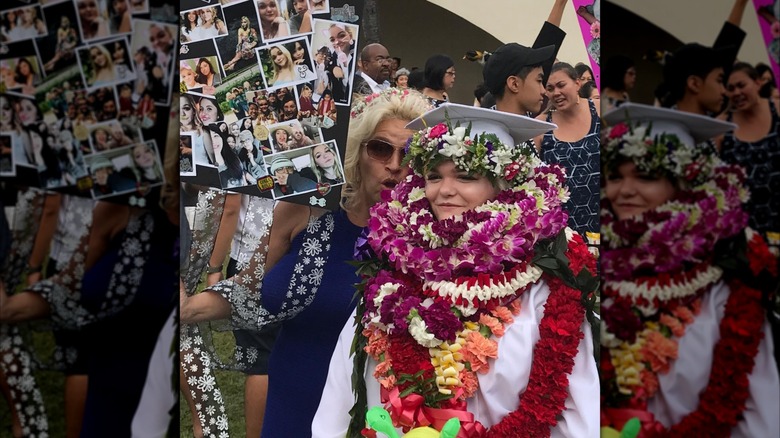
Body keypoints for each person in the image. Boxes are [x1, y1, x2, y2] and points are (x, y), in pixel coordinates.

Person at [311, 103, 599, 437]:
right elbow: (341, 396)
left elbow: (575, 416)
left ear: (504, 186)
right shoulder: (395, 274)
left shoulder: (544, 284)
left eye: (466, 176)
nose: (444, 191)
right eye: (434, 176)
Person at [178, 88, 431, 437]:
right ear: (358, 151)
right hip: (292, 398)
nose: (394, 164)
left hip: (379, 413)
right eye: (381, 148)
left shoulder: (429, 238)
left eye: (410, 153)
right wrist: (188, 308)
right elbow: (250, 287)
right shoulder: (306, 211)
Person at [600, 102, 779, 436]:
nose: (624, 191)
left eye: (646, 176)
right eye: (614, 177)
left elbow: (760, 416)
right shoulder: (601, 266)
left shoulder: (726, 277)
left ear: (684, 182)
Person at [718, 63, 780, 257]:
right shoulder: (721, 127)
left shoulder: (777, 109)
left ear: (758, 83)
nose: (736, 92)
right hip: (747, 231)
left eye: (741, 85)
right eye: (731, 88)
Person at [535, 62, 600, 239]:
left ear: (578, 83)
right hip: (565, 231)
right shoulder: (541, 126)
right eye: (550, 88)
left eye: (561, 85)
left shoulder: (600, 110)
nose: (556, 92)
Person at [482, 0, 567, 117]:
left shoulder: (526, 122)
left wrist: (560, 3)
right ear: (514, 84)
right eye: (539, 81)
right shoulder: (482, 133)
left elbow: (547, 41)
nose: (544, 91)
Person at [325, 22, 356, 104]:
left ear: (350, 36)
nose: (337, 42)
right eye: (332, 39)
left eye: (341, 36)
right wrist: (333, 68)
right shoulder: (333, 57)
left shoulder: (359, 54)